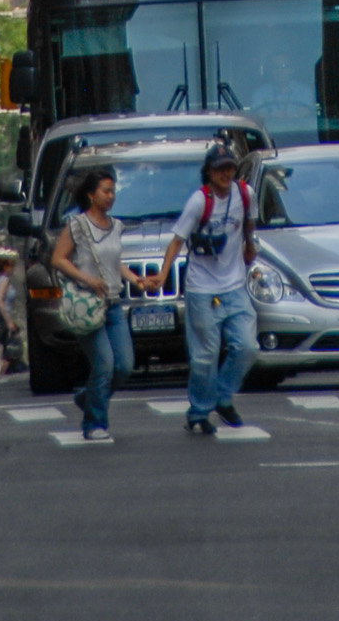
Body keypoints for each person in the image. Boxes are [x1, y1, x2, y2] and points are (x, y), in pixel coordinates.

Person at [153, 143, 258, 436]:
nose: (225, 174)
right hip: (202, 288)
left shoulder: (245, 195)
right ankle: (199, 411)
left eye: (229, 168)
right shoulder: (199, 202)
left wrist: (251, 246)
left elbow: (249, 226)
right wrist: (163, 275)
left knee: (247, 346)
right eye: (219, 169)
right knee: (204, 355)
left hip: (235, 284)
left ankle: (222, 397)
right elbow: (177, 240)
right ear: (209, 172)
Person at [51, 165, 137, 444]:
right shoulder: (77, 225)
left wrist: (136, 279)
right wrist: (87, 279)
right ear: (91, 195)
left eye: (113, 191)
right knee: (104, 364)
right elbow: (59, 259)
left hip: (113, 303)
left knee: (124, 365)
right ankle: (94, 422)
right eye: (106, 191)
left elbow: (114, 262)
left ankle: (87, 398)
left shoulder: (116, 226)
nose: (111, 196)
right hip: (88, 304)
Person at [0, 256, 23, 376]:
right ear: (5, 267)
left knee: (11, 348)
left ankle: (6, 371)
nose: (12, 270)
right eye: (10, 266)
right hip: (1, 318)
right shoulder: (4, 280)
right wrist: (9, 321)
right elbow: (0, 300)